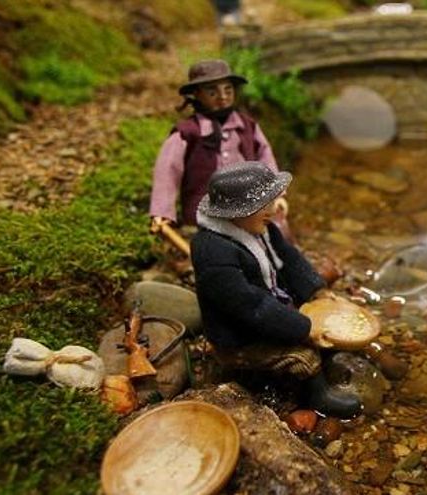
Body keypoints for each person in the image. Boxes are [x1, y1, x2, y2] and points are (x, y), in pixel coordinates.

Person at [190, 162, 362, 418]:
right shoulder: (213, 252)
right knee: (304, 356)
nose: (272, 209)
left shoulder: (260, 228)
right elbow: (250, 305)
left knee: (328, 321)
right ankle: (316, 396)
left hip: (273, 309)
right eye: (262, 205)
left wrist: (315, 291)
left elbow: (289, 259)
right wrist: (304, 329)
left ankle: (324, 357)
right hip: (242, 338)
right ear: (235, 212)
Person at [149, 59, 281, 231]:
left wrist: (275, 196)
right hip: (204, 220)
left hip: (247, 215)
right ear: (197, 94)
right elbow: (167, 172)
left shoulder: (247, 126)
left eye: (228, 90)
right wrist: (162, 212)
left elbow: (265, 157)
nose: (223, 97)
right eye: (212, 92)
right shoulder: (187, 133)